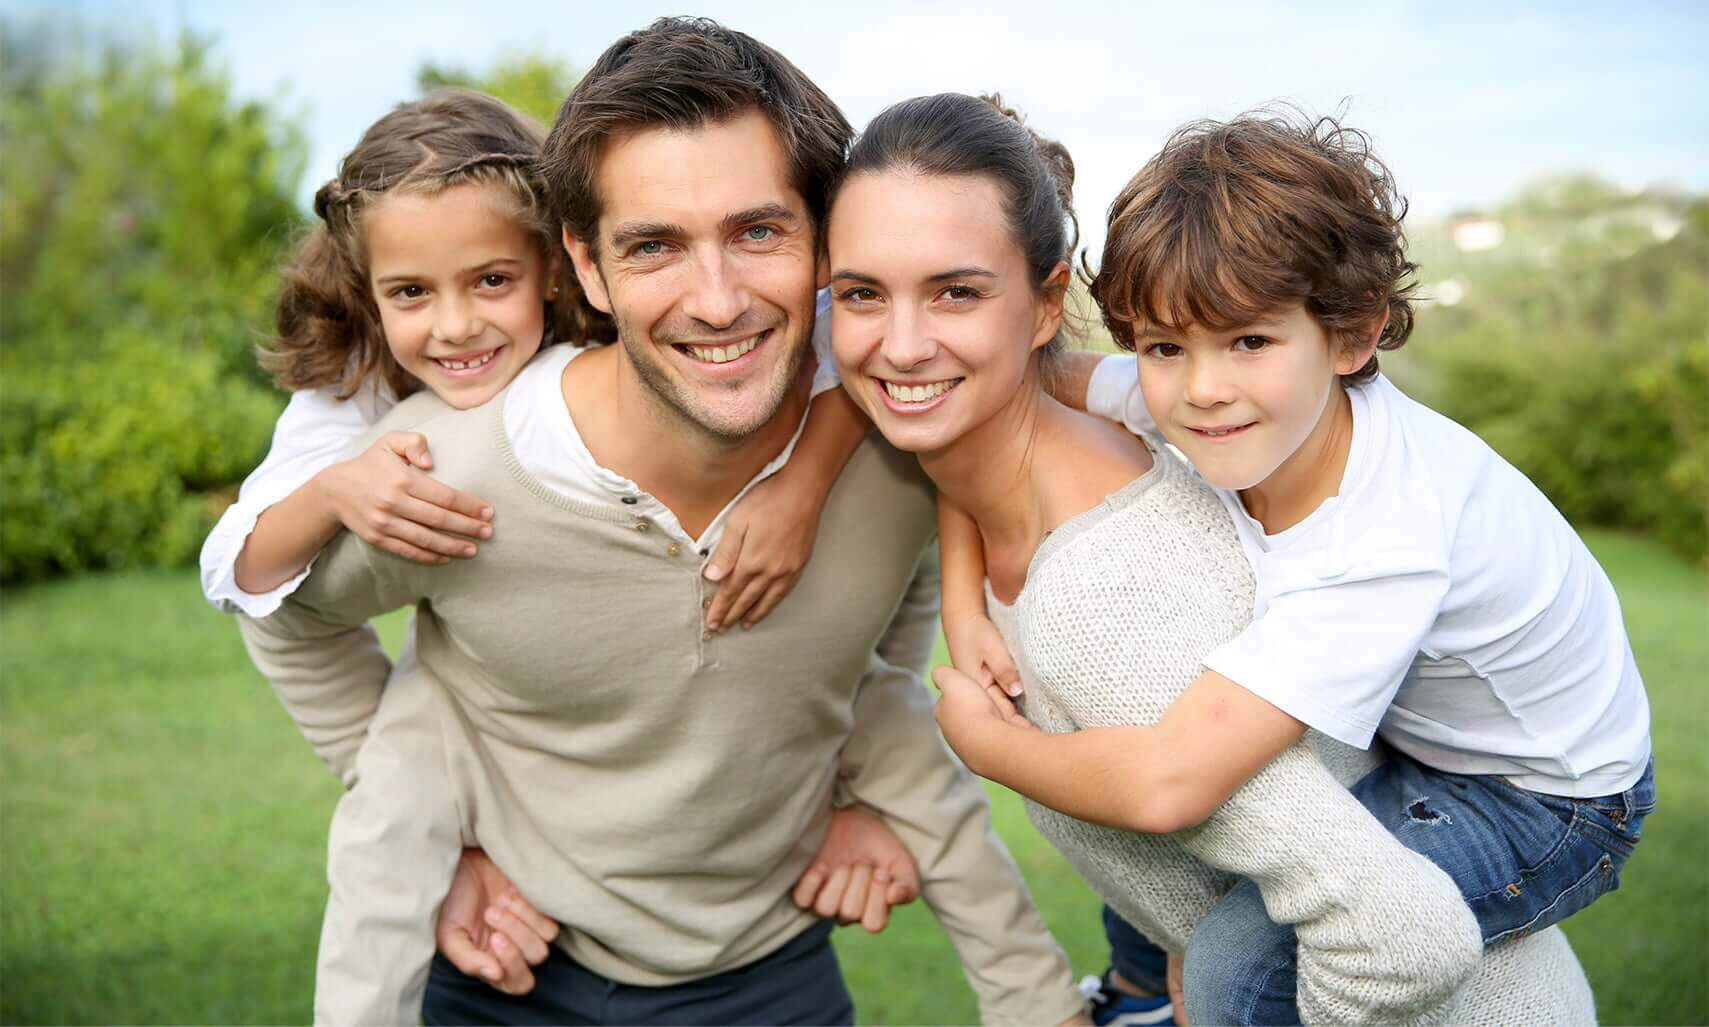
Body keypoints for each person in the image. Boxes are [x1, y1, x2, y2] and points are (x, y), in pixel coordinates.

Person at [238, 18, 1087, 1027]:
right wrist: (443, 837)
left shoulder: (901, 440)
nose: (717, 299)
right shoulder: (448, 471)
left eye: (757, 231)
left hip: (769, 973)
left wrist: (861, 798)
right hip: (507, 971)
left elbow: (890, 603)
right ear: (584, 269)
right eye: (653, 246)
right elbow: (284, 615)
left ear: (827, 239)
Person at [963, 107, 1656, 1024]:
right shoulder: (1203, 396)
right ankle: (1137, 991)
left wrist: (990, 747)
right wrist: (967, 591)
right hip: (1423, 735)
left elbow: (1172, 780)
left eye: (1250, 340)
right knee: (1194, 850)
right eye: (1164, 346)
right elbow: (1002, 396)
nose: (1202, 387)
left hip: (1545, 797)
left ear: (1352, 336)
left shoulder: (1379, 540)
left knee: (1237, 969)